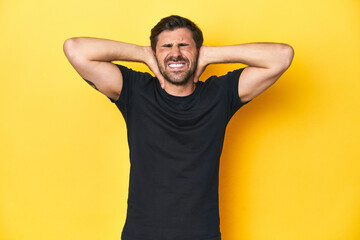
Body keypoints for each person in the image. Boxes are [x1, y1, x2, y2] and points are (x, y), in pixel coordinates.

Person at [63, 15, 294, 240]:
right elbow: (75, 49)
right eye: (166, 46)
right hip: (142, 234)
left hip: (202, 234)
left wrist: (212, 54)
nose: (176, 52)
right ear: (155, 53)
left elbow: (282, 56)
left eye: (184, 45)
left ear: (198, 51)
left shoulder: (220, 94)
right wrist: (143, 54)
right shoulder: (135, 90)